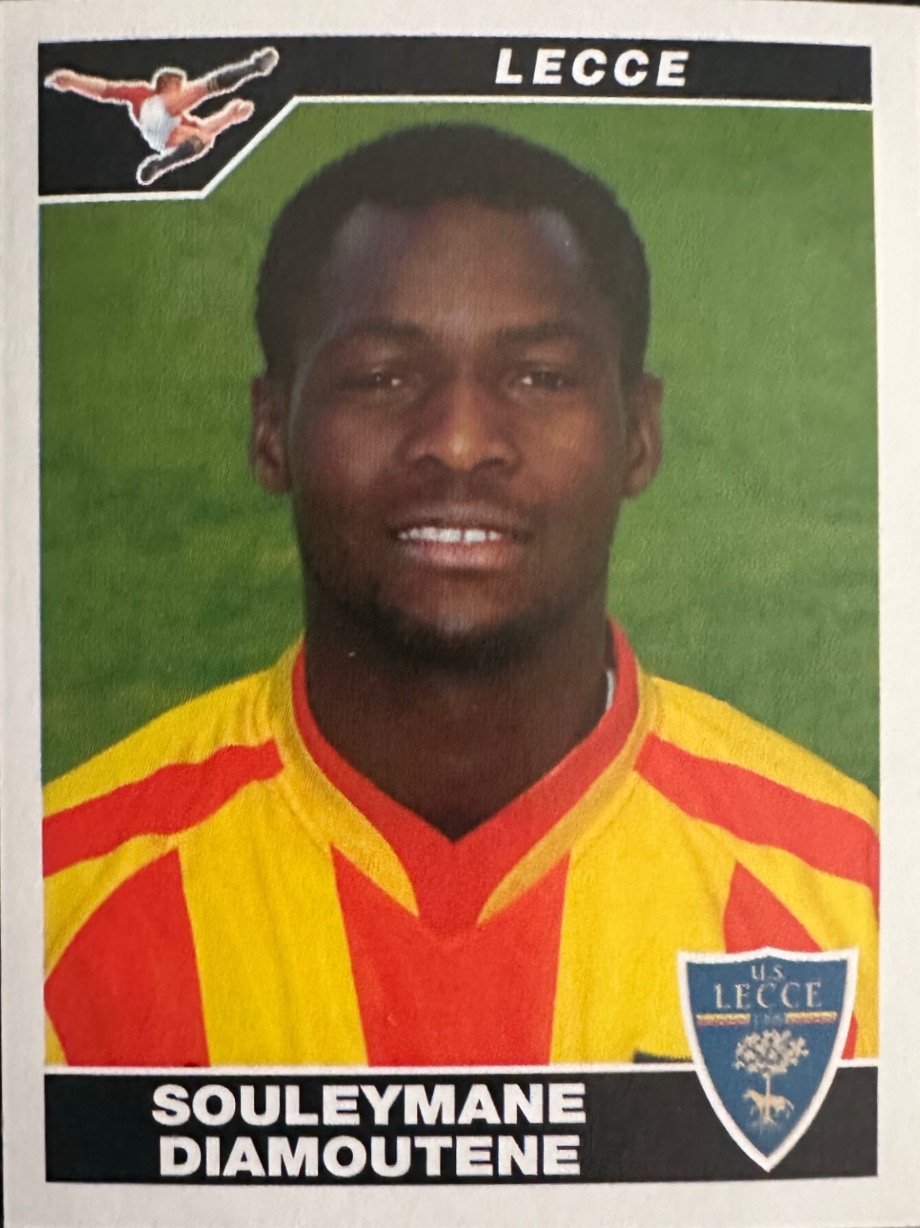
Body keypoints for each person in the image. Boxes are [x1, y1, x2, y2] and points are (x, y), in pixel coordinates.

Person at [43, 124, 878, 1068]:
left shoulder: (853, 900)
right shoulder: (56, 902)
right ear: (271, 431)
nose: (459, 441)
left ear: (639, 435)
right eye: (383, 376)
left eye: (540, 377)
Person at [43, 47, 279, 185]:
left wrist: (229, 117)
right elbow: (105, 89)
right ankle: (253, 67)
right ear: (166, 83)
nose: (181, 88)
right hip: (153, 115)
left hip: (162, 141)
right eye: (178, 85)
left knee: (204, 139)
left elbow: (207, 130)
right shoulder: (144, 94)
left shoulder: (181, 118)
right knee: (201, 89)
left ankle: (161, 164)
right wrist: (73, 81)